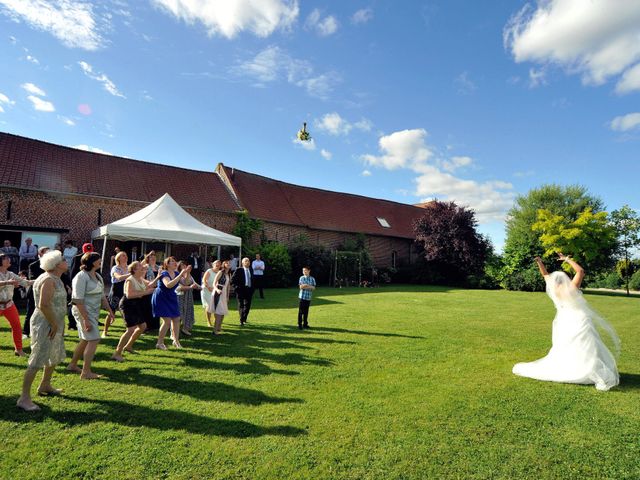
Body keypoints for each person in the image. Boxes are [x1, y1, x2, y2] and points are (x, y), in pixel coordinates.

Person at [513, 254, 620, 391]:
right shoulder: (572, 287)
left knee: (567, 346)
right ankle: (587, 369)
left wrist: (539, 262)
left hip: (563, 321)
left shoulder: (552, 288)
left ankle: (574, 368)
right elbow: (580, 271)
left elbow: (545, 274)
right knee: (587, 346)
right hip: (580, 319)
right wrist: (567, 260)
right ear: (566, 279)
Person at [16, 251, 68, 412]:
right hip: (45, 323)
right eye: (63, 260)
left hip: (55, 322)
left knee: (53, 354)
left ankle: (45, 385)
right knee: (37, 358)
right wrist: (53, 324)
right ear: (57, 264)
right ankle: (24, 398)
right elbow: (43, 305)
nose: (66, 262)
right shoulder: (47, 279)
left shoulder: (56, 278)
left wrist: (58, 324)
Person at [67, 252, 114, 379]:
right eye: (99, 259)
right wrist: (86, 320)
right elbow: (77, 300)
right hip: (82, 312)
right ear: (93, 262)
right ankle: (86, 372)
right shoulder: (81, 277)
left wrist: (110, 310)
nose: (101, 261)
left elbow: (102, 296)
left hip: (93, 312)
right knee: (94, 339)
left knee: (85, 339)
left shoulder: (98, 276)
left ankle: (72, 365)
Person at [111, 261, 156, 362]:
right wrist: (145, 292)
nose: (142, 266)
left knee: (142, 326)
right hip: (127, 305)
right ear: (135, 269)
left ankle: (128, 346)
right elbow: (129, 295)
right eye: (140, 266)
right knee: (130, 329)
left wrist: (159, 276)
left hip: (136, 305)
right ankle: (117, 353)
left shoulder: (140, 278)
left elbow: (151, 284)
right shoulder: (130, 280)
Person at [152, 257, 191, 350]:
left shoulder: (177, 273)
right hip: (161, 298)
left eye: (175, 261)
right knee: (167, 321)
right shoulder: (164, 273)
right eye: (172, 261)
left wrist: (187, 273)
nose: (175, 263)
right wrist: (181, 274)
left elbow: (186, 282)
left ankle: (176, 341)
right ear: (167, 264)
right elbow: (168, 285)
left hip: (171, 297)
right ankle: (159, 343)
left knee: (177, 319)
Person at [0, 253, 33, 356]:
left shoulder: (11, 273)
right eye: (6, 258)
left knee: (17, 326)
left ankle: (18, 350)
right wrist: (7, 282)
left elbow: (24, 282)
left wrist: (40, 280)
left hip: (9, 304)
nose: (9, 260)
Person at [23, 246, 50, 337]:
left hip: (48, 292)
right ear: (40, 254)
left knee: (49, 312)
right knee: (30, 312)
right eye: (46, 252)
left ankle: (50, 331)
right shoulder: (33, 265)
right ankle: (26, 332)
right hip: (34, 292)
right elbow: (32, 278)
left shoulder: (52, 265)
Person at [103, 251, 130, 337]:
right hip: (116, 291)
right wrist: (131, 274)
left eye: (125, 255)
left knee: (127, 312)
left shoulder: (129, 267)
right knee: (111, 312)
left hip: (126, 291)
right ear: (118, 258)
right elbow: (119, 277)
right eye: (123, 256)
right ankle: (105, 331)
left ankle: (129, 331)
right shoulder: (115, 268)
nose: (125, 257)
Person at [177, 261, 200, 336]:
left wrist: (200, 287)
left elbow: (194, 282)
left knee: (188, 311)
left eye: (185, 265)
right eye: (182, 265)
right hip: (180, 296)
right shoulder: (178, 274)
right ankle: (175, 330)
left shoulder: (189, 274)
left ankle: (185, 328)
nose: (184, 266)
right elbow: (186, 283)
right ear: (179, 267)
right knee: (180, 312)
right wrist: (187, 273)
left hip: (188, 296)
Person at [231, 257, 254, 325]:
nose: (247, 262)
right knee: (241, 305)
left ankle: (244, 318)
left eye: (248, 261)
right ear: (242, 263)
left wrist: (252, 289)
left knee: (247, 305)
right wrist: (236, 288)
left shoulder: (251, 270)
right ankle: (241, 320)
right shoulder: (239, 270)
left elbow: (253, 280)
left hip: (249, 289)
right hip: (240, 290)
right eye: (246, 261)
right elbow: (232, 280)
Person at [210, 260, 231, 335]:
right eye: (227, 263)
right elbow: (214, 283)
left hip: (224, 294)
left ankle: (219, 327)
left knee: (222, 312)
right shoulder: (220, 272)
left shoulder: (228, 274)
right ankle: (215, 330)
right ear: (223, 264)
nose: (228, 264)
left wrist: (228, 296)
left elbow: (228, 286)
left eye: (229, 263)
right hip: (218, 293)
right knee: (219, 312)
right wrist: (217, 290)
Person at [141, 251, 161, 331]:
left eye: (154, 256)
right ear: (147, 259)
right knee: (148, 308)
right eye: (150, 257)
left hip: (157, 290)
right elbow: (141, 278)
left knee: (156, 307)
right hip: (148, 290)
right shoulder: (145, 267)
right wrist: (149, 284)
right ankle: (147, 326)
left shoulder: (159, 268)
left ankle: (155, 325)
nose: (153, 258)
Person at [201, 260, 220, 328]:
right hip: (206, 290)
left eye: (219, 265)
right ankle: (209, 321)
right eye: (216, 264)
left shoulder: (219, 272)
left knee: (215, 306)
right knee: (208, 306)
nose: (217, 266)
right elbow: (204, 280)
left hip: (214, 290)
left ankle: (216, 320)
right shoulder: (209, 271)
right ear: (213, 265)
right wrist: (208, 287)